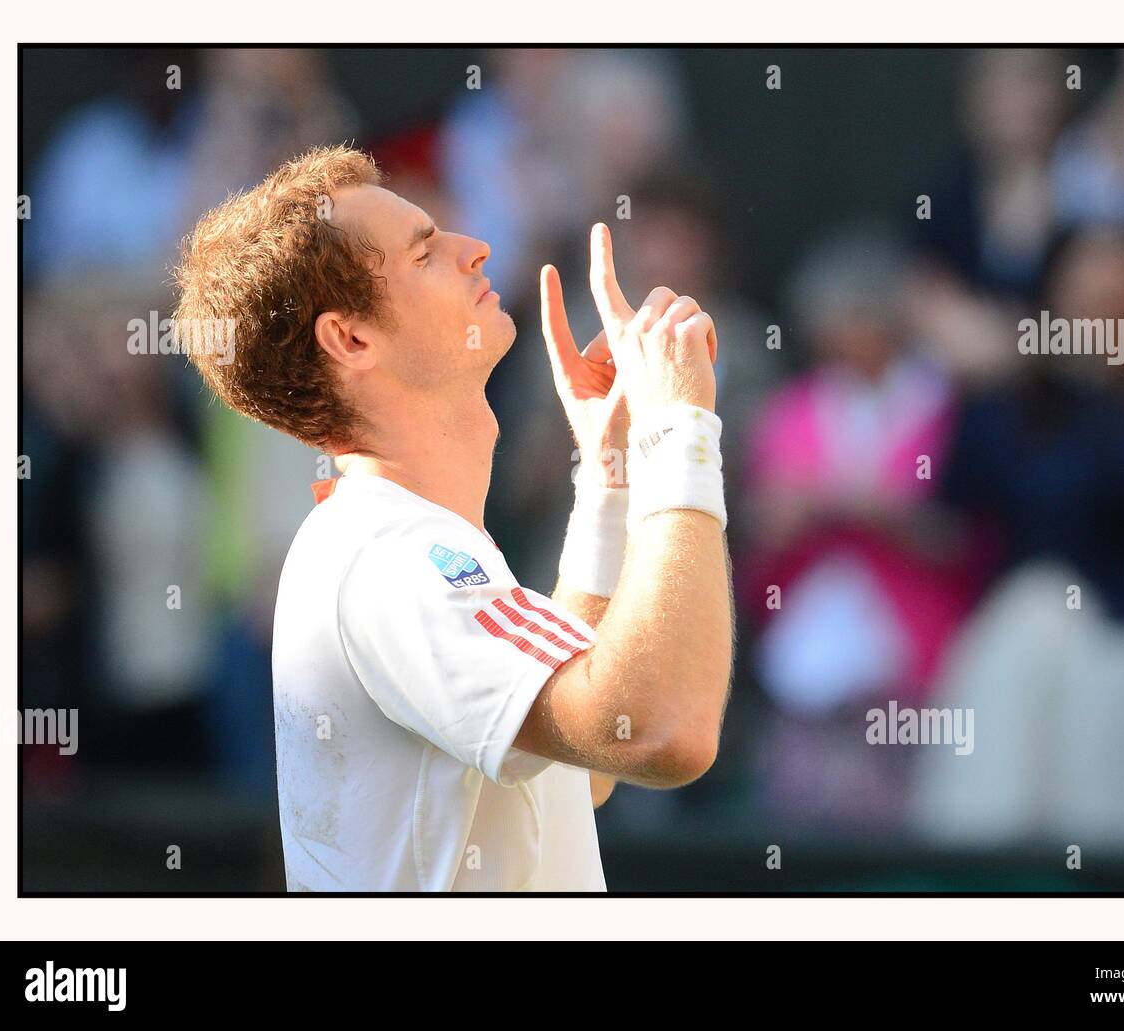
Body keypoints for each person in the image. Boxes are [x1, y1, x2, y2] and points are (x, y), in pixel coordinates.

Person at [173, 145, 733, 891]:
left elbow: (585, 758)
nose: (475, 250)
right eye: (425, 251)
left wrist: (612, 479)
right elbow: (663, 730)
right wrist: (681, 432)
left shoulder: (394, 540)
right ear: (352, 338)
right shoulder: (396, 555)